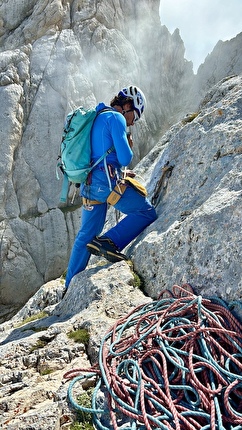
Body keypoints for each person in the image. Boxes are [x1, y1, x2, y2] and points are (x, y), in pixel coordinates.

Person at [65, 85, 157, 288]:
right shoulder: (117, 119)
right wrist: (128, 145)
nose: (133, 122)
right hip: (106, 185)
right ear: (127, 106)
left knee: (86, 236)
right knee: (147, 212)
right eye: (135, 116)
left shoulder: (97, 116)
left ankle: (68, 287)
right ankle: (109, 242)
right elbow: (125, 157)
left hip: (88, 185)